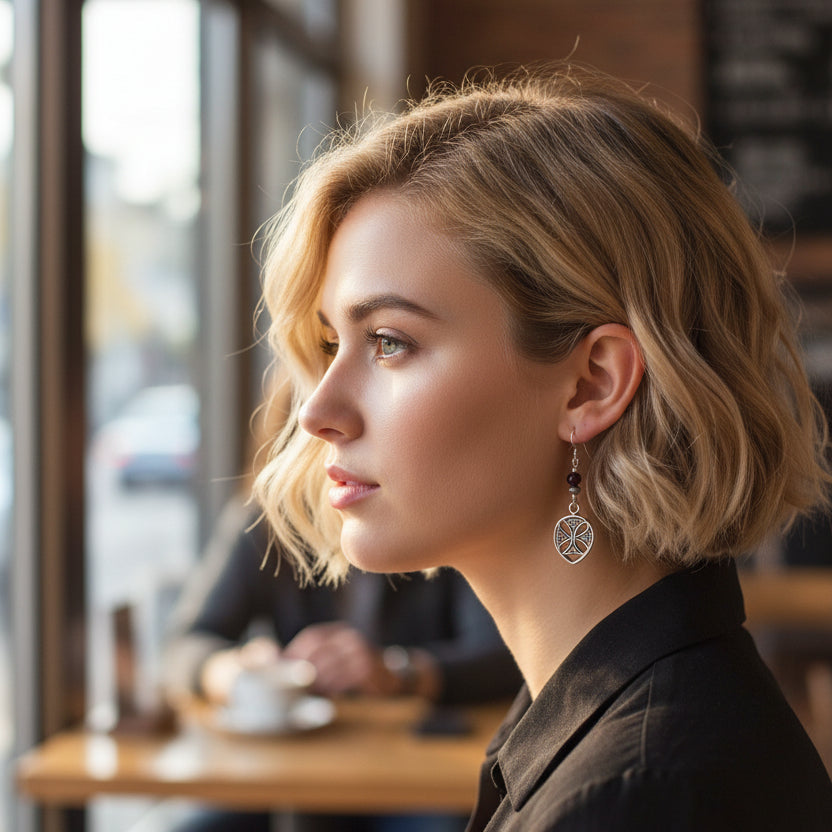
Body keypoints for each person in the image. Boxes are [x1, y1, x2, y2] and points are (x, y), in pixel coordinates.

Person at [251, 64, 832, 830]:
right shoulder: (611, 719)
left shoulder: (633, 797)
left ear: (592, 385)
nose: (317, 411)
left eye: (390, 341)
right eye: (332, 344)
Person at [161, 495, 522, 832]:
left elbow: (503, 655)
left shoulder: (441, 517)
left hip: (414, 774)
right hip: (290, 769)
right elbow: (185, 645)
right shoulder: (270, 522)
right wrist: (241, 673)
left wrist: (399, 672)